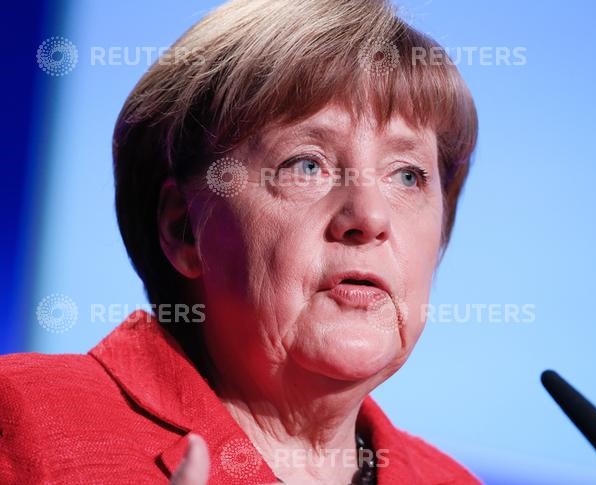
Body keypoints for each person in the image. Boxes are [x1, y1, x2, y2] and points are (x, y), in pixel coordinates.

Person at [0, 0, 480, 483]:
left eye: (408, 176)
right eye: (307, 165)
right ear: (184, 228)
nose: (370, 217)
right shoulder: (24, 420)